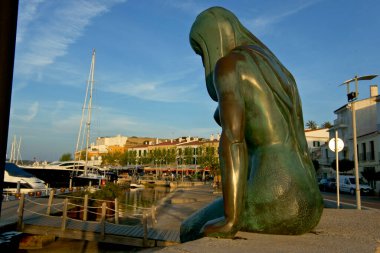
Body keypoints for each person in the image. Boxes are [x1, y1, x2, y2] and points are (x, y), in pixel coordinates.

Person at [180, 7, 323, 242]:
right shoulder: (276, 69)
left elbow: (233, 142)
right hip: (309, 201)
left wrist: (230, 220)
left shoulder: (228, 66)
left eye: (201, 52)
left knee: (188, 228)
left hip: (276, 194)